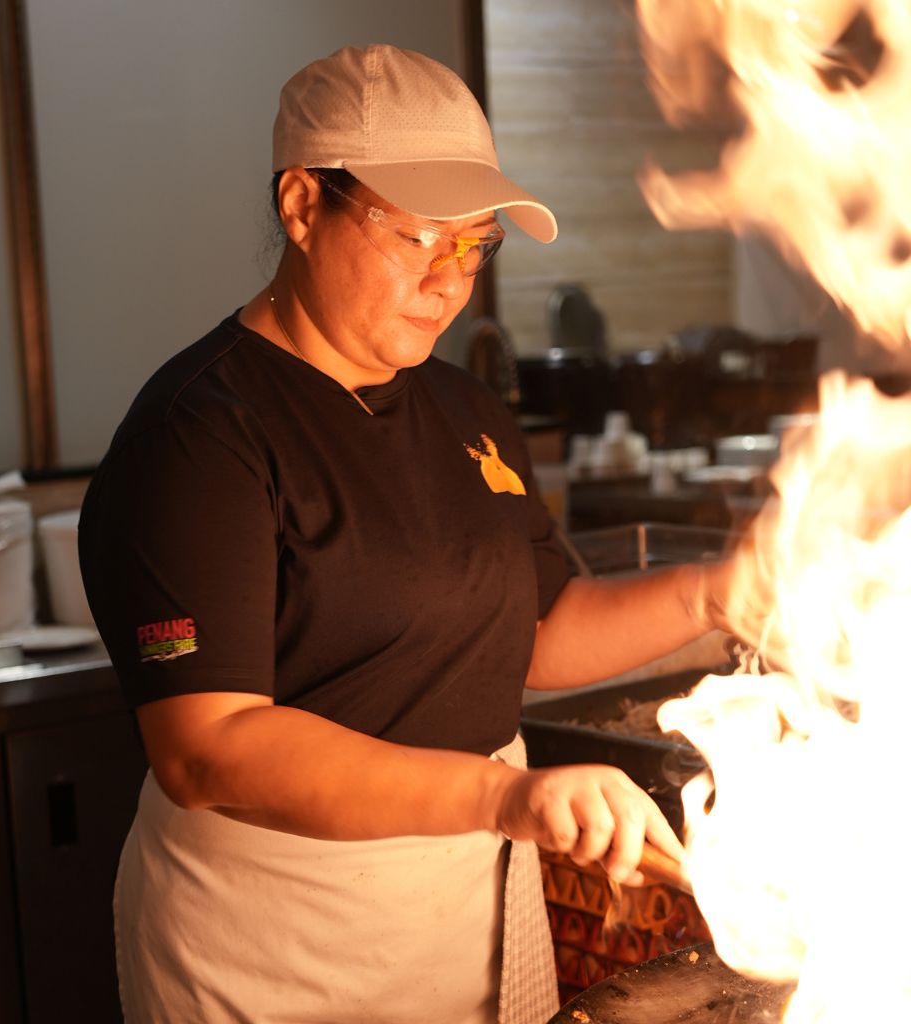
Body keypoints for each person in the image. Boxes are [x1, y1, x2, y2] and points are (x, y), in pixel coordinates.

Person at [79, 43, 732, 1024]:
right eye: (418, 236)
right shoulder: (201, 435)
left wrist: (724, 589)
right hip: (278, 938)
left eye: (474, 244)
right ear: (302, 205)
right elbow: (207, 750)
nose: (449, 279)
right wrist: (504, 798)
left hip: (467, 911)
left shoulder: (463, 411)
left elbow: (542, 632)